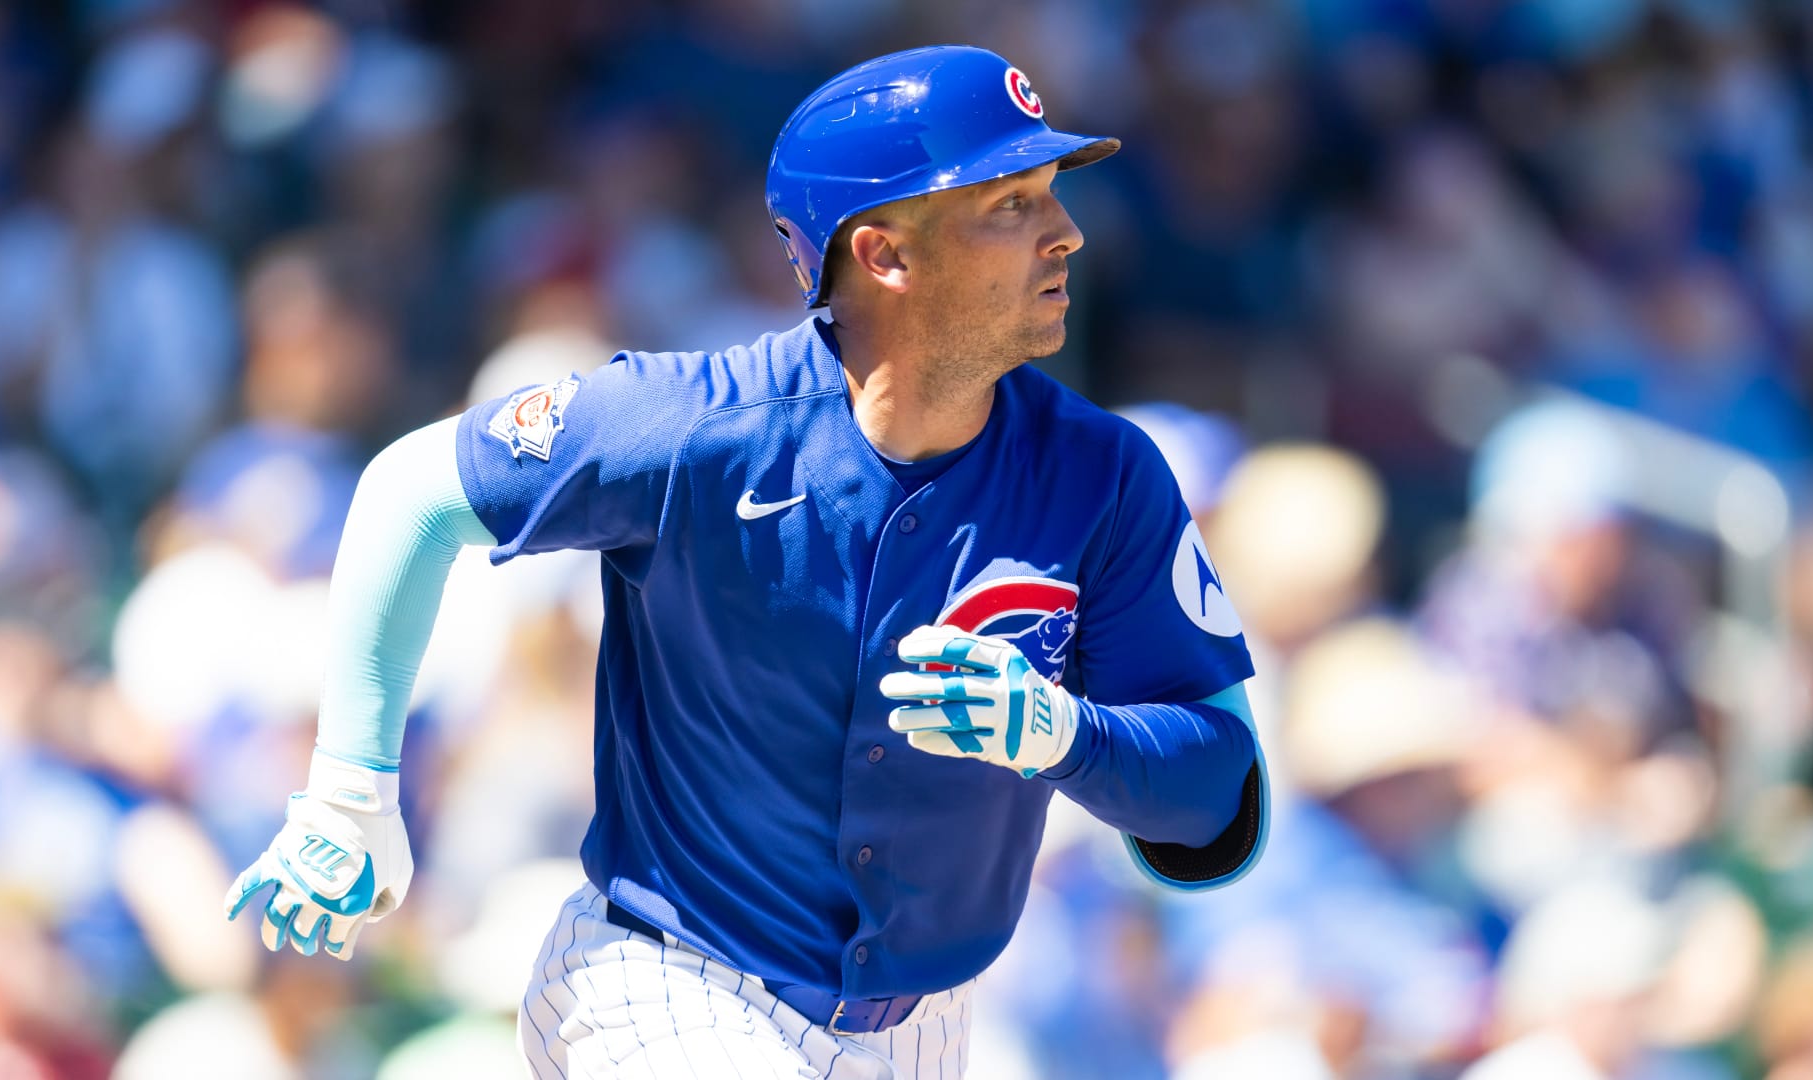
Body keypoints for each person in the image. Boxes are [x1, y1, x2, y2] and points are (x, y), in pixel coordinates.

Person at [225, 45, 1269, 1079]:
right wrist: (350, 787)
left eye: (1052, 195)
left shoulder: (1104, 472)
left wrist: (1064, 735)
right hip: (666, 983)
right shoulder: (698, 424)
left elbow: (1219, 785)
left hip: (925, 1027)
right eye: (1011, 205)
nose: (1067, 234)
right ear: (884, 256)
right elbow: (416, 488)